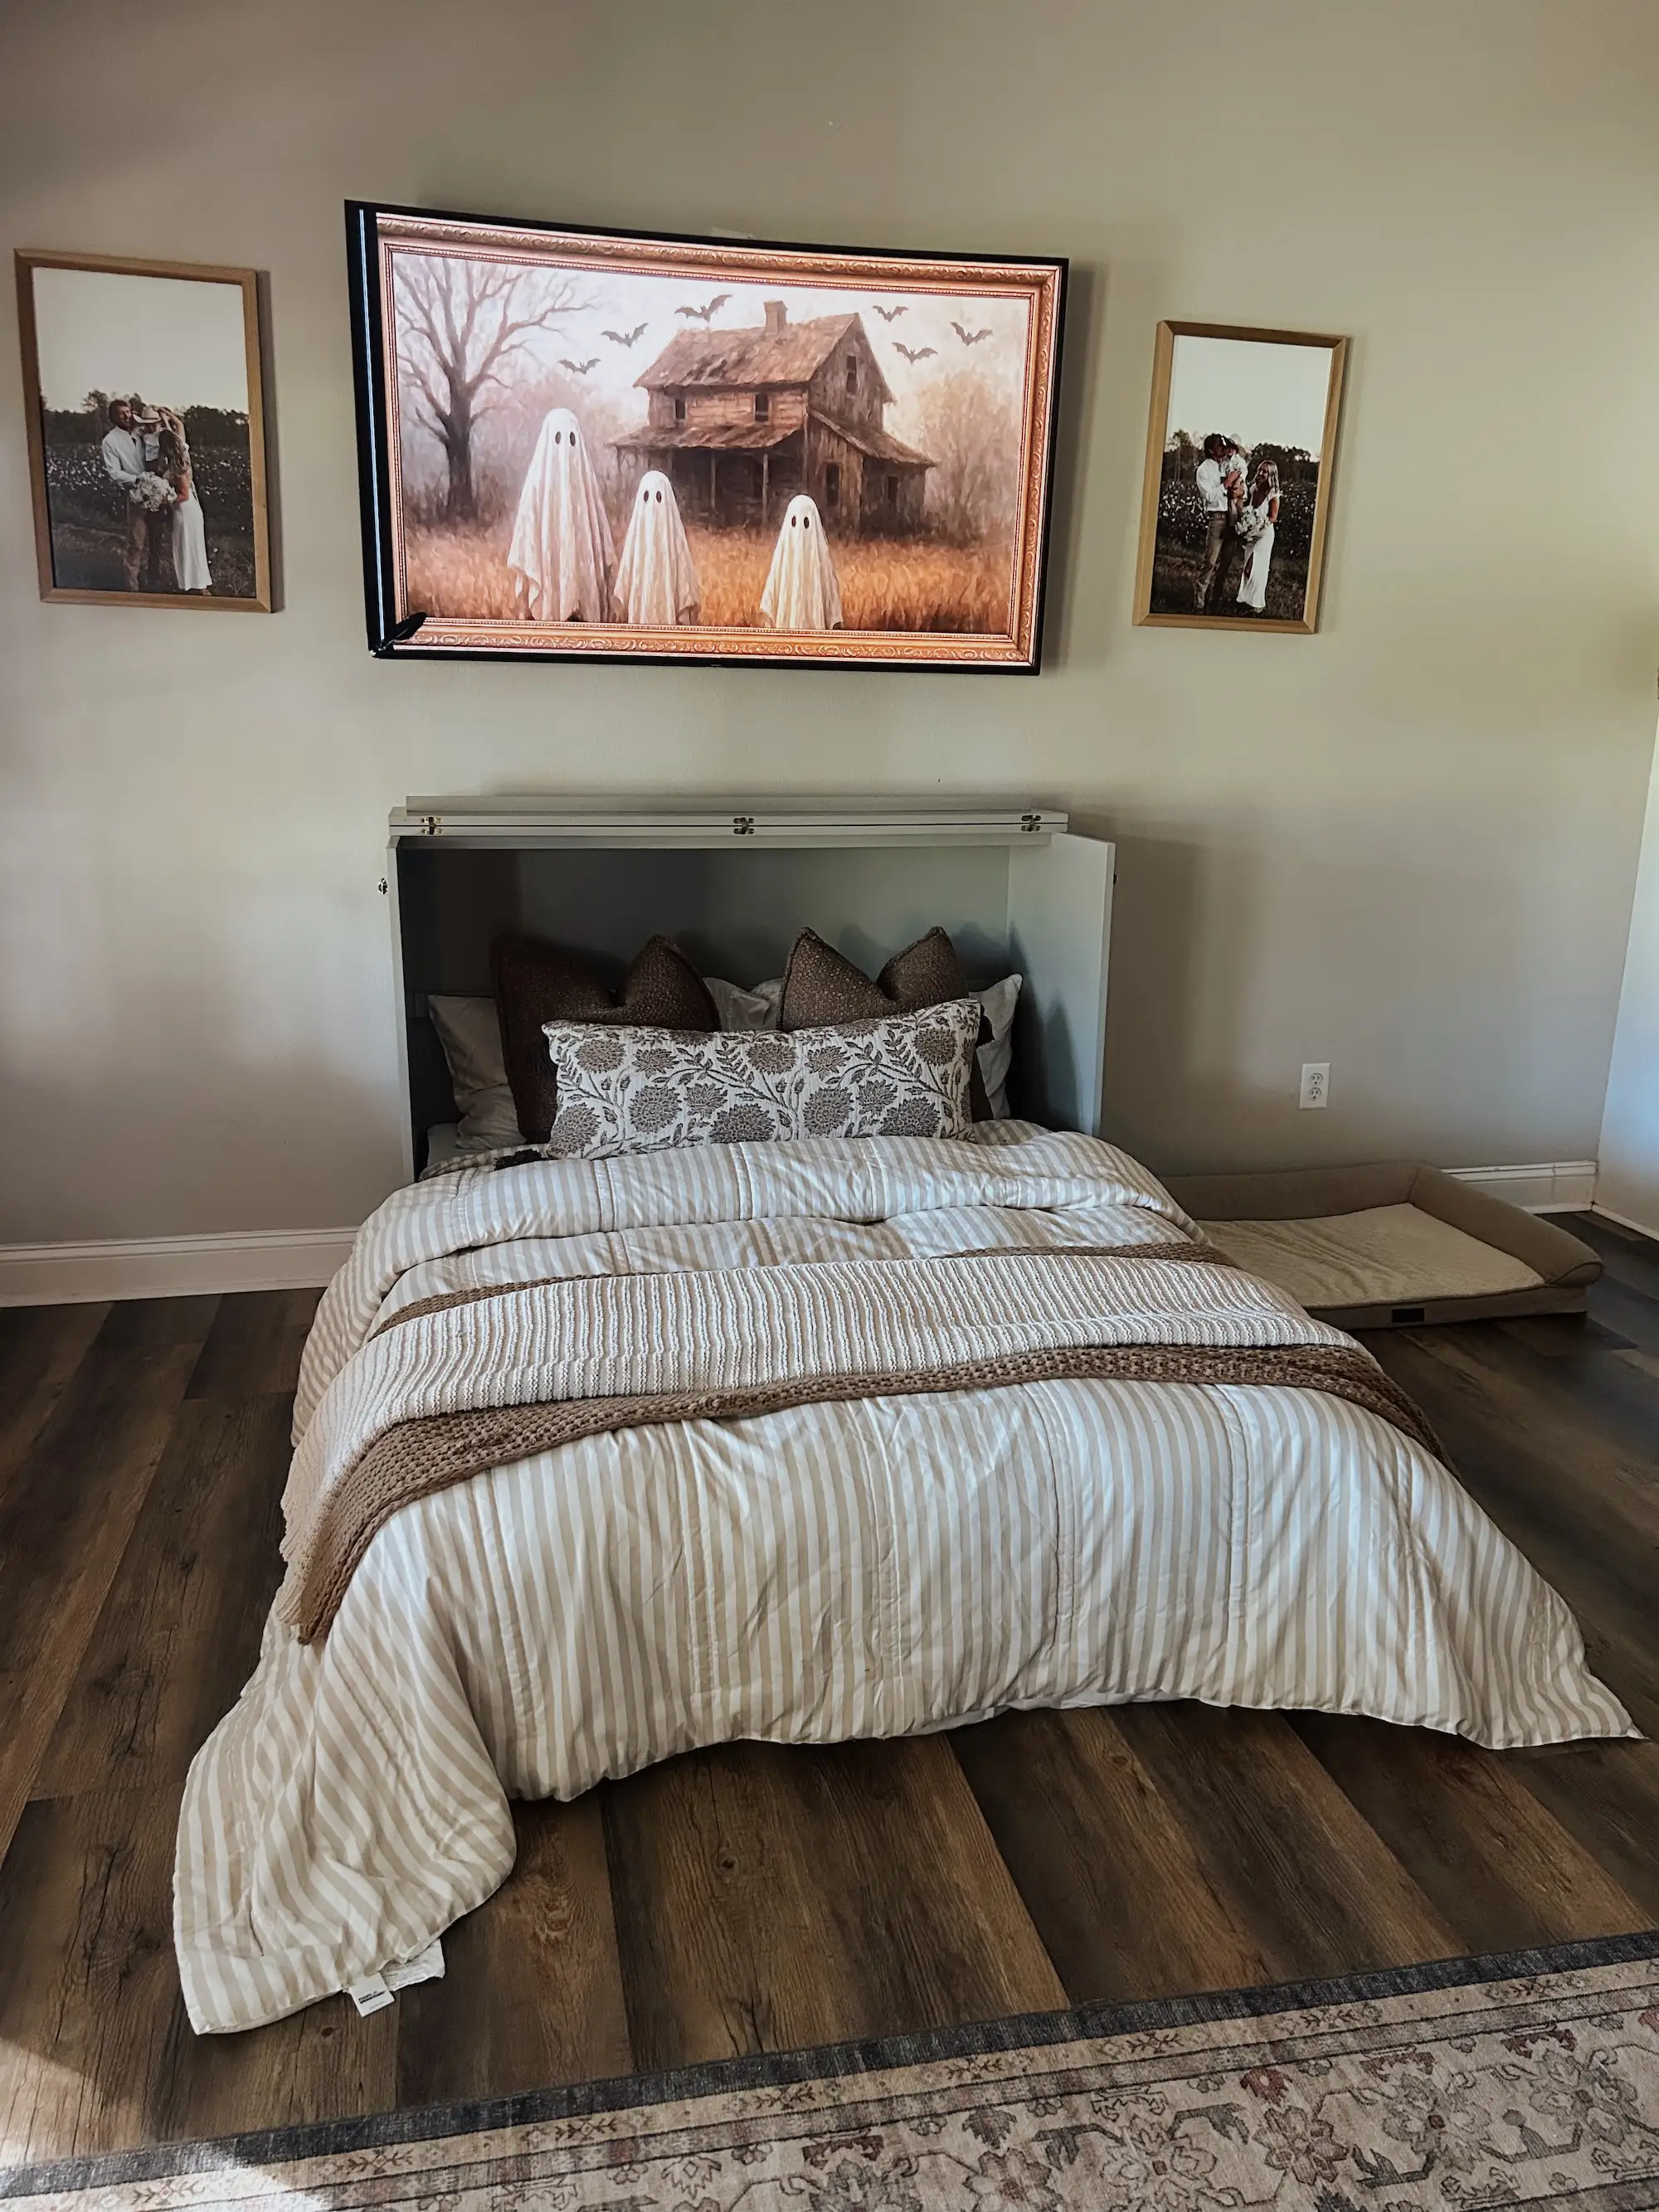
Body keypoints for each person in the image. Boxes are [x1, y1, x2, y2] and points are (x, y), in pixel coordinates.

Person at [508, 407, 615, 623]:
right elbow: (526, 541)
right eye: (558, 438)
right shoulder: (536, 487)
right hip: (547, 590)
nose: (565, 448)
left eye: (572, 439)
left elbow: (600, 544)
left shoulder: (587, 487)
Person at [100, 396, 170, 591]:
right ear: (113, 419)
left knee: (157, 541)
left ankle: (154, 580)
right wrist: (139, 480)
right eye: (122, 414)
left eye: (128, 412)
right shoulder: (110, 442)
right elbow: (115, 473)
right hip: (137, 496)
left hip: (156, 494)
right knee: (136, 544)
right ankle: (132, 587)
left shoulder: (141, 431)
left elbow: (159, 429)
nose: (127, 416)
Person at [613, 469, 699, 625]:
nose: (653, 506)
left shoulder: (675, 540)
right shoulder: (636, 538)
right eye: (646, 497)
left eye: (658, 497)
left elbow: (683, 582)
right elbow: (626, 575)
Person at [759, 493, 843, 630]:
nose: (799, 534)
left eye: (806, 523)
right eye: (794, 522)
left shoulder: (822, 563)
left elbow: (830, 602)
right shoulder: (782, 559)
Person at [157, 410, 212, 594]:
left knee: (187, 546)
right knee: (192, 546)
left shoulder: (177, 467)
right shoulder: (183, 452)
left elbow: (184, 494)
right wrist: (165, 415)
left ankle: (195, 586)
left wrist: (165, 500)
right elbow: (179, 425)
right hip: (190, 509)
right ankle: (196, 585)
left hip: (184, 509)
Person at [1191, 431, 1243, 612]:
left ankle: (1216, 598)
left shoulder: (1228, 464)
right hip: (1217, 518)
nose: (1224, 448)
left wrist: (1238, 489)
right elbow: (1210, 496)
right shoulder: (1203, 470)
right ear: (1211, 449)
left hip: (1233, 516)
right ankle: (1199, 600)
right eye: (1220, 445)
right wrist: (1226, 483)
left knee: (1226, 562)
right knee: (1210, 561)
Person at [1234, 459, 1281, 614]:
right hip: (1251, 534)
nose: (1260, 473)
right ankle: (1247, 599)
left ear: (1271, 475)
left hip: (1264, 535)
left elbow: (1273, 517)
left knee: (1255, 568)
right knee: (1247, 570)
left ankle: (1258, 604)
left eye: (1265, 472)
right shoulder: (1254, 488)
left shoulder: (1273, 494)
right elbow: (1250, 508)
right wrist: (1247, 525)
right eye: (1260, 470)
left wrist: (1257, 524)